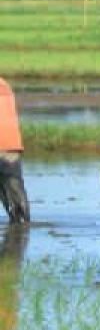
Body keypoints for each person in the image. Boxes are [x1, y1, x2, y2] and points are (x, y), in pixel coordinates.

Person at [0, 78, 30, 225]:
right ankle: (23, 227)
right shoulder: (4, 85)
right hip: (11, 144)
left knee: (7, 193)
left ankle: (17, 228)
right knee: (14, 189)